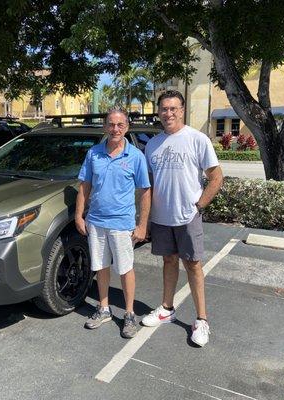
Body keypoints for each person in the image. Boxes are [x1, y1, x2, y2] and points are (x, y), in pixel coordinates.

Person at [142, 90, 223, 347]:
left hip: (187, 216)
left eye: (174, 108)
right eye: (164, 109)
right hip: (162, 217)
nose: (169, 113)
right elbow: (149, 184)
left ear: (182, 110)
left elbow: (216, 177)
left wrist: (198, 205)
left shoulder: (197, 139)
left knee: (193, 264)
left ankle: (201, 320)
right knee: (168, 261)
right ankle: (167, 309)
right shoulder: (152, 144)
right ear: (159, 112)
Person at [75, 108, 151, 339]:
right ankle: (104, 308)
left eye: (120, 125)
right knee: (101, 266)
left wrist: (142, 225)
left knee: (125, 268)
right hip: (96, 221)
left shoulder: (136, 156)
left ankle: (129, 314)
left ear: (127, 127)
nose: (115, 129)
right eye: (111, 124)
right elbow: (84, 186)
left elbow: (146, 191)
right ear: (105, 126)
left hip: (122, 223)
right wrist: (79, 215)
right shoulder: (93, 154)